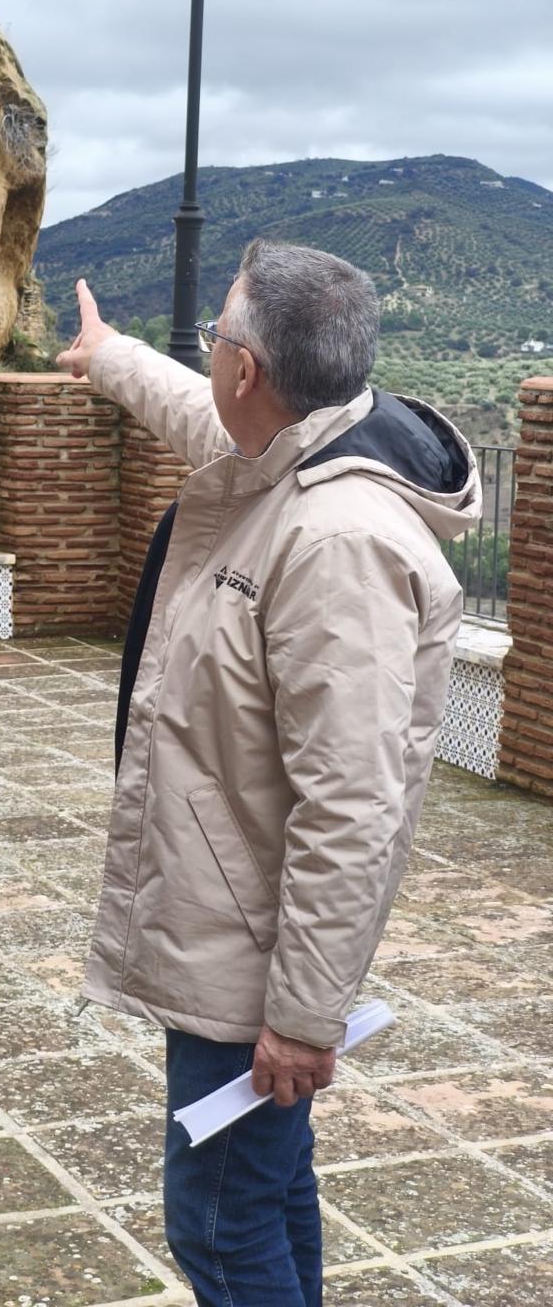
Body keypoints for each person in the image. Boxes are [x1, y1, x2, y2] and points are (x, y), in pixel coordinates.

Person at [57, 241, 481, 1307]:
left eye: (214, 341)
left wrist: (300, 1013)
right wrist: (109, 356)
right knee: (268, 1192)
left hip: (251, 960)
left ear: (247, 368)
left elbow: (354, 802)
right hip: (232, 925)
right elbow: (199, 421)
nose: (205, 362)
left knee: (220, 1227)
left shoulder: (338, 539)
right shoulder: (290, 452)